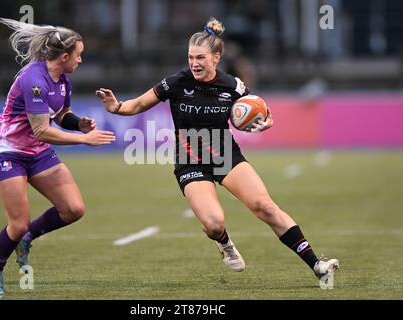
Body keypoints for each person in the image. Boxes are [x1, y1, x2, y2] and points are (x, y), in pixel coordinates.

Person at [96, 17, 338, 283]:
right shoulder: (176, 82)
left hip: (225, 154)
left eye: (200, 57)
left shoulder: (233, 86)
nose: (194, 63)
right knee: (213, 224)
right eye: (190, 58)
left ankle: (317, 265)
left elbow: (258, 109)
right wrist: (116, 107)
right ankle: (224, 244)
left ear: (216, 57)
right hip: (190, 160)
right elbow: (138, 105)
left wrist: (264, 122)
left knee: (265, 207)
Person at [0, 18, 116, 296]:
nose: (81, 60)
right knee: (18, 223)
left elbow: (60, 116)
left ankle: (27, 239)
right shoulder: (34, 80)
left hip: (37, 152)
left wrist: (78, 123)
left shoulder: (63, 78)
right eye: (79, 55)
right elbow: (42, 130)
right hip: (8, 152)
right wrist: (84, 140)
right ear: (65, 56)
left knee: (73, 209)